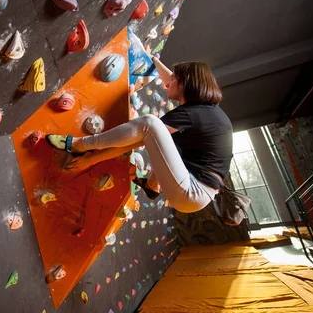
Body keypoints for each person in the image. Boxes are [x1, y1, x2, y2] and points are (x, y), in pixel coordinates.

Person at [46, 55, 233, 213]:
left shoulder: (191, 115)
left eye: (174, 80)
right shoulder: (204, 111)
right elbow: (170, 80)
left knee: (150, 123)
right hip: (196, 188)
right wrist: (152, 59)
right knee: (159, 135)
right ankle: (153, 185)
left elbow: (137, 138)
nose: (167, 84)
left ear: (187, 84)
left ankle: (78, 144)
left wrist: (89, 156)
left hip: (192, 192)